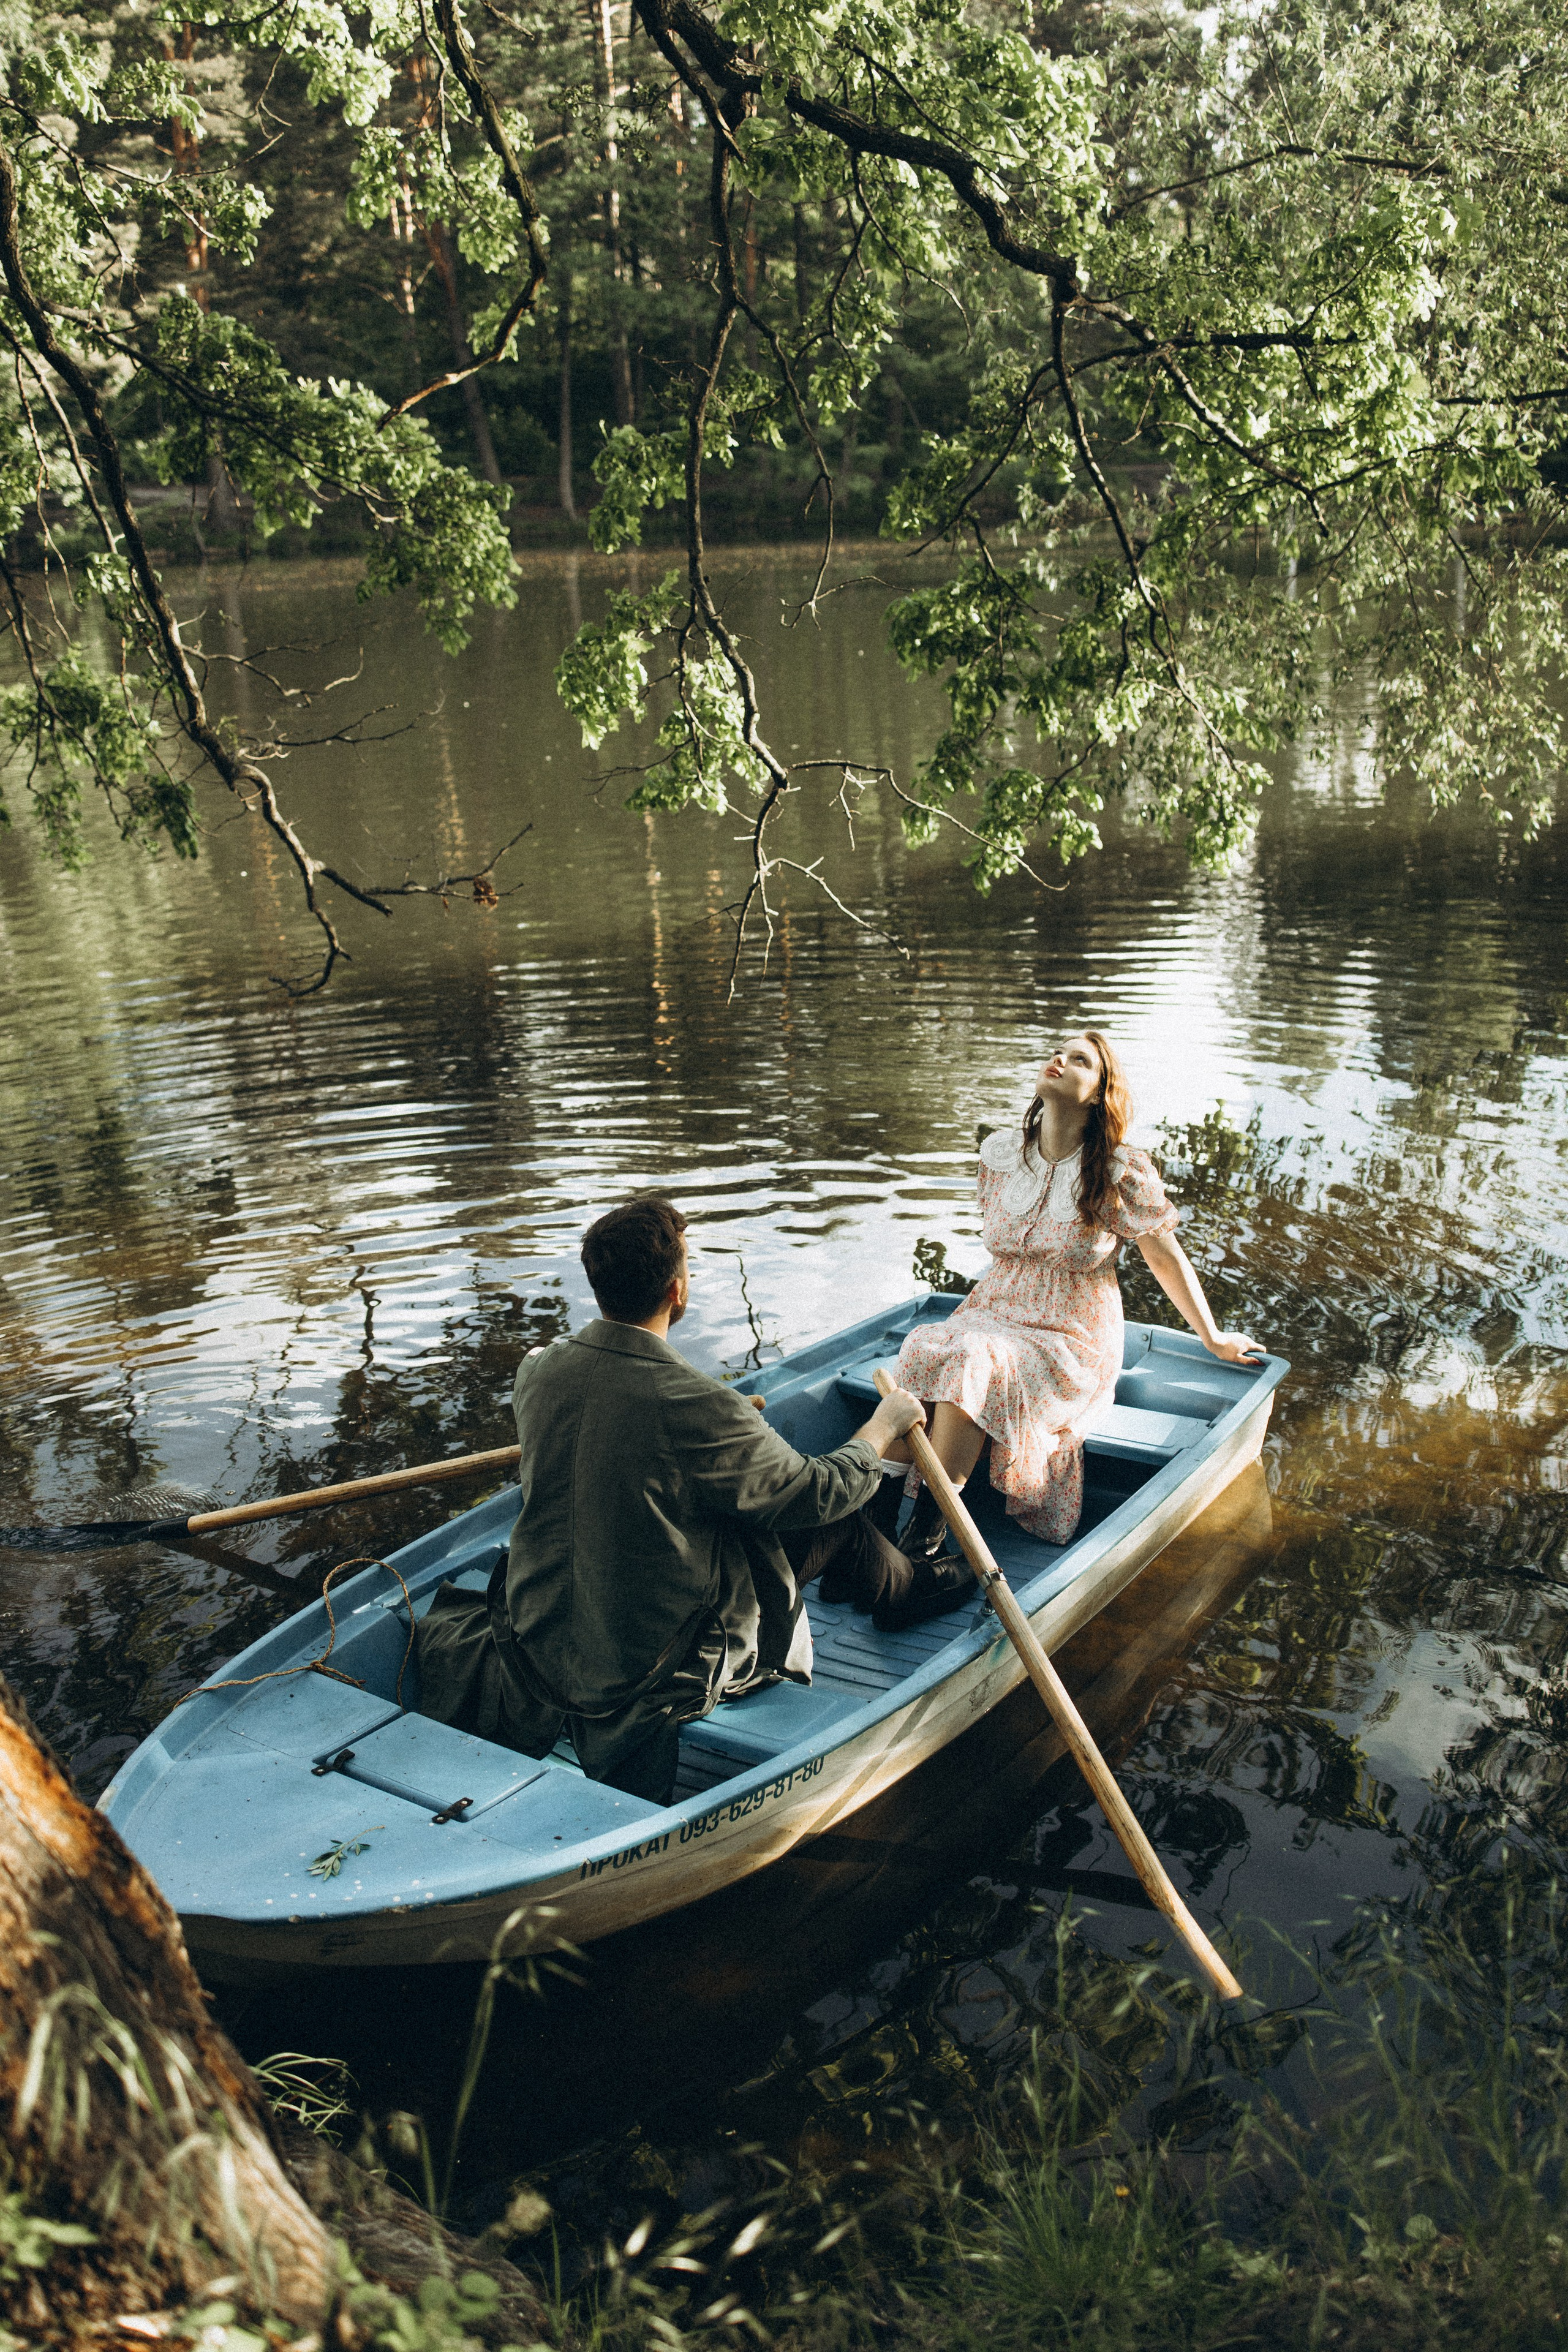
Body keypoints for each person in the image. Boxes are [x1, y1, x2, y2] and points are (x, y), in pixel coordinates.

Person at [414, 1195, 932, 1805]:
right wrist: (884, 1423)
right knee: (843, 1517)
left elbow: (640, 1429)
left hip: (536, 1627)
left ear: (597, 1283)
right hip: (650, 1655)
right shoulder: (698, 1405)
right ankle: (906, 1591)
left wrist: (734, 1427)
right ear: (677, 1292)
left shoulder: (538, 1370)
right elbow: (818, 1492)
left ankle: (900, 1584)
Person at [892, 1030, 1263, 1555]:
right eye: (1059, 1051)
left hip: (1072, 1334)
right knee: (924, 1346)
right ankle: (868, 1523)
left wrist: (1214, 1337)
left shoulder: (1118, 1171)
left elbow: (1164, 1256)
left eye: (1080, 1059)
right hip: (994, 1308)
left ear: (1098, 1095)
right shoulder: (1002, 1155)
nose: (1060, 1058)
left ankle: (919, 1547)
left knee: (972, 1360)